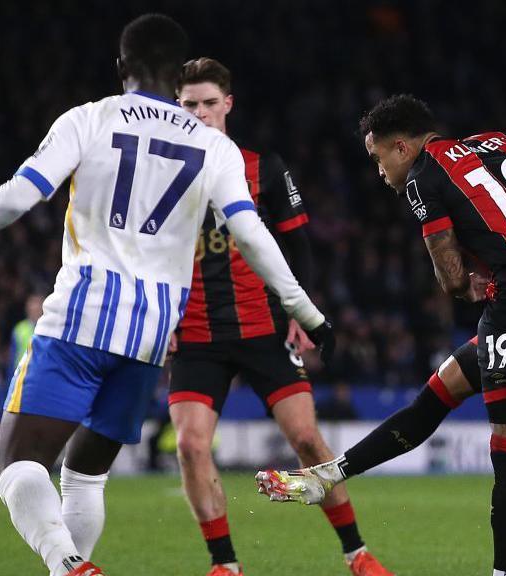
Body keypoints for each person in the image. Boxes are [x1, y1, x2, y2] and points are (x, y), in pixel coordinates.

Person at [0, 15, 332, 576]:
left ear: (121, 67)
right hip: (153, 334)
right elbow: (252, 235)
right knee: (84, 473)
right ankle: (73, 565)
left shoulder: (90, 118)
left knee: (16, 463)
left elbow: (18, 197)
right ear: (179, 77)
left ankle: (66, 563)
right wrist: (306, 311)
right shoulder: (213, 147)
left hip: (82, 314)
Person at [258, 94, 506, 576]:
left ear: (401, 147)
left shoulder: (422, 177)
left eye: (378, 159)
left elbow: (451, 279)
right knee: (434, 398)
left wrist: (469, 285)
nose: (379, 171)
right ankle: (327, 477)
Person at [168, 57, 391, 576]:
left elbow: (296, 242)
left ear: (228, 103)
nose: (199, 113)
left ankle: (357, 553)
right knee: (190, 445)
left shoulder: (261, 166)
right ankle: (225, 565)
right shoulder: (161, 175)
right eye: (188, 104)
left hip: (264, 327)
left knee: (308, 440)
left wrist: (298, 309)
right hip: (195, 334)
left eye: (208, 103)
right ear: (175, 108)